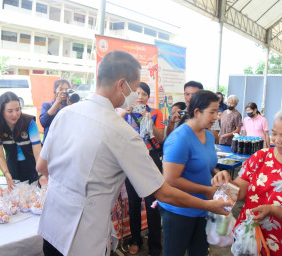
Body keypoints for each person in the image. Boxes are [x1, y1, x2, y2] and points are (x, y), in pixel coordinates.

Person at [35, 51, 231, 256]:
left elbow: (42, 167)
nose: (135, 95)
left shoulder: (66, 113)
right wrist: (209, 204)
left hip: (53, 225)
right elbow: (163, 192)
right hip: (83, 236)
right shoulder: (120, 131)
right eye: (134, 88)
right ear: (122, 85)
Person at [158, 90, 220, 256]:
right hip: (179, 209)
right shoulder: (180, 138)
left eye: (217, 112)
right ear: (197, 112)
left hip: (203, 208)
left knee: (199, 252)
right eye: (212, 112)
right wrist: (206, 190)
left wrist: (218, 172)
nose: (216, 117)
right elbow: (170, 179)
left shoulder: (209, 135)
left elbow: (205, 161)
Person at [212, 110, 282, 256]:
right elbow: (239, 192)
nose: (277, 141)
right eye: (275, 134)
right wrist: (226, 183)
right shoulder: (261, 157)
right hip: (248, 239)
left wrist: (273, 210)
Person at [121, 82, 164, 256]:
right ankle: (136, 239)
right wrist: (124, 114)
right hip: (131, 160)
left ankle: (155, 245)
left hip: (150, 159)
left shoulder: (155, 113)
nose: (140, 97)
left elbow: (160, 138)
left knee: (152, 204)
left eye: (144, 94)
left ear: (148, 97)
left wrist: (147, 118)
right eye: (137, 93)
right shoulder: (124, 114)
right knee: (133, 202)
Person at [0, 91, 41, 190]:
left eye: (17, 109)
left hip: (33, 166)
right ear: (1, 111)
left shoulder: (29, 123)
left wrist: (40, 174)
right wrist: (6, 173)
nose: (15, 114)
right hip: (13, 167)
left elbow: (38, 153)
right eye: (10, 111)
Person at [40, 79, 71, 143]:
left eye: (66, 90)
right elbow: (43, 122)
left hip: (65, 143)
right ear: (55, 91)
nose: (64, 92)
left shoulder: (70, 107)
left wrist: (71, 106)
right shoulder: (47, 105)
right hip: (50, 143)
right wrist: (57, 102)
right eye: (61, 89)